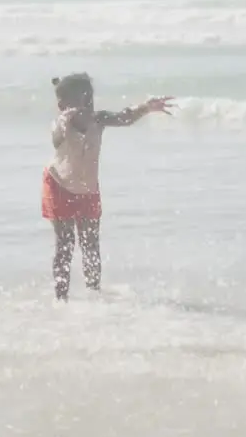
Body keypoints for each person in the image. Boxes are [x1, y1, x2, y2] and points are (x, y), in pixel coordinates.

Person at [43, 73, 173, 301]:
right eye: (63, 104)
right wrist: (63, 122)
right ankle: (60, 300)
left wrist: (146, 107)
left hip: (87, 189)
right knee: (65, 244)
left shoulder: (99, 120)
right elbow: (56, 139)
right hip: (59, 185)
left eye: (81, 102)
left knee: (90, 244)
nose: (68, 108)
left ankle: (94, 294)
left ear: (88, 101)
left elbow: (125, 117)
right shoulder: (61, 124)